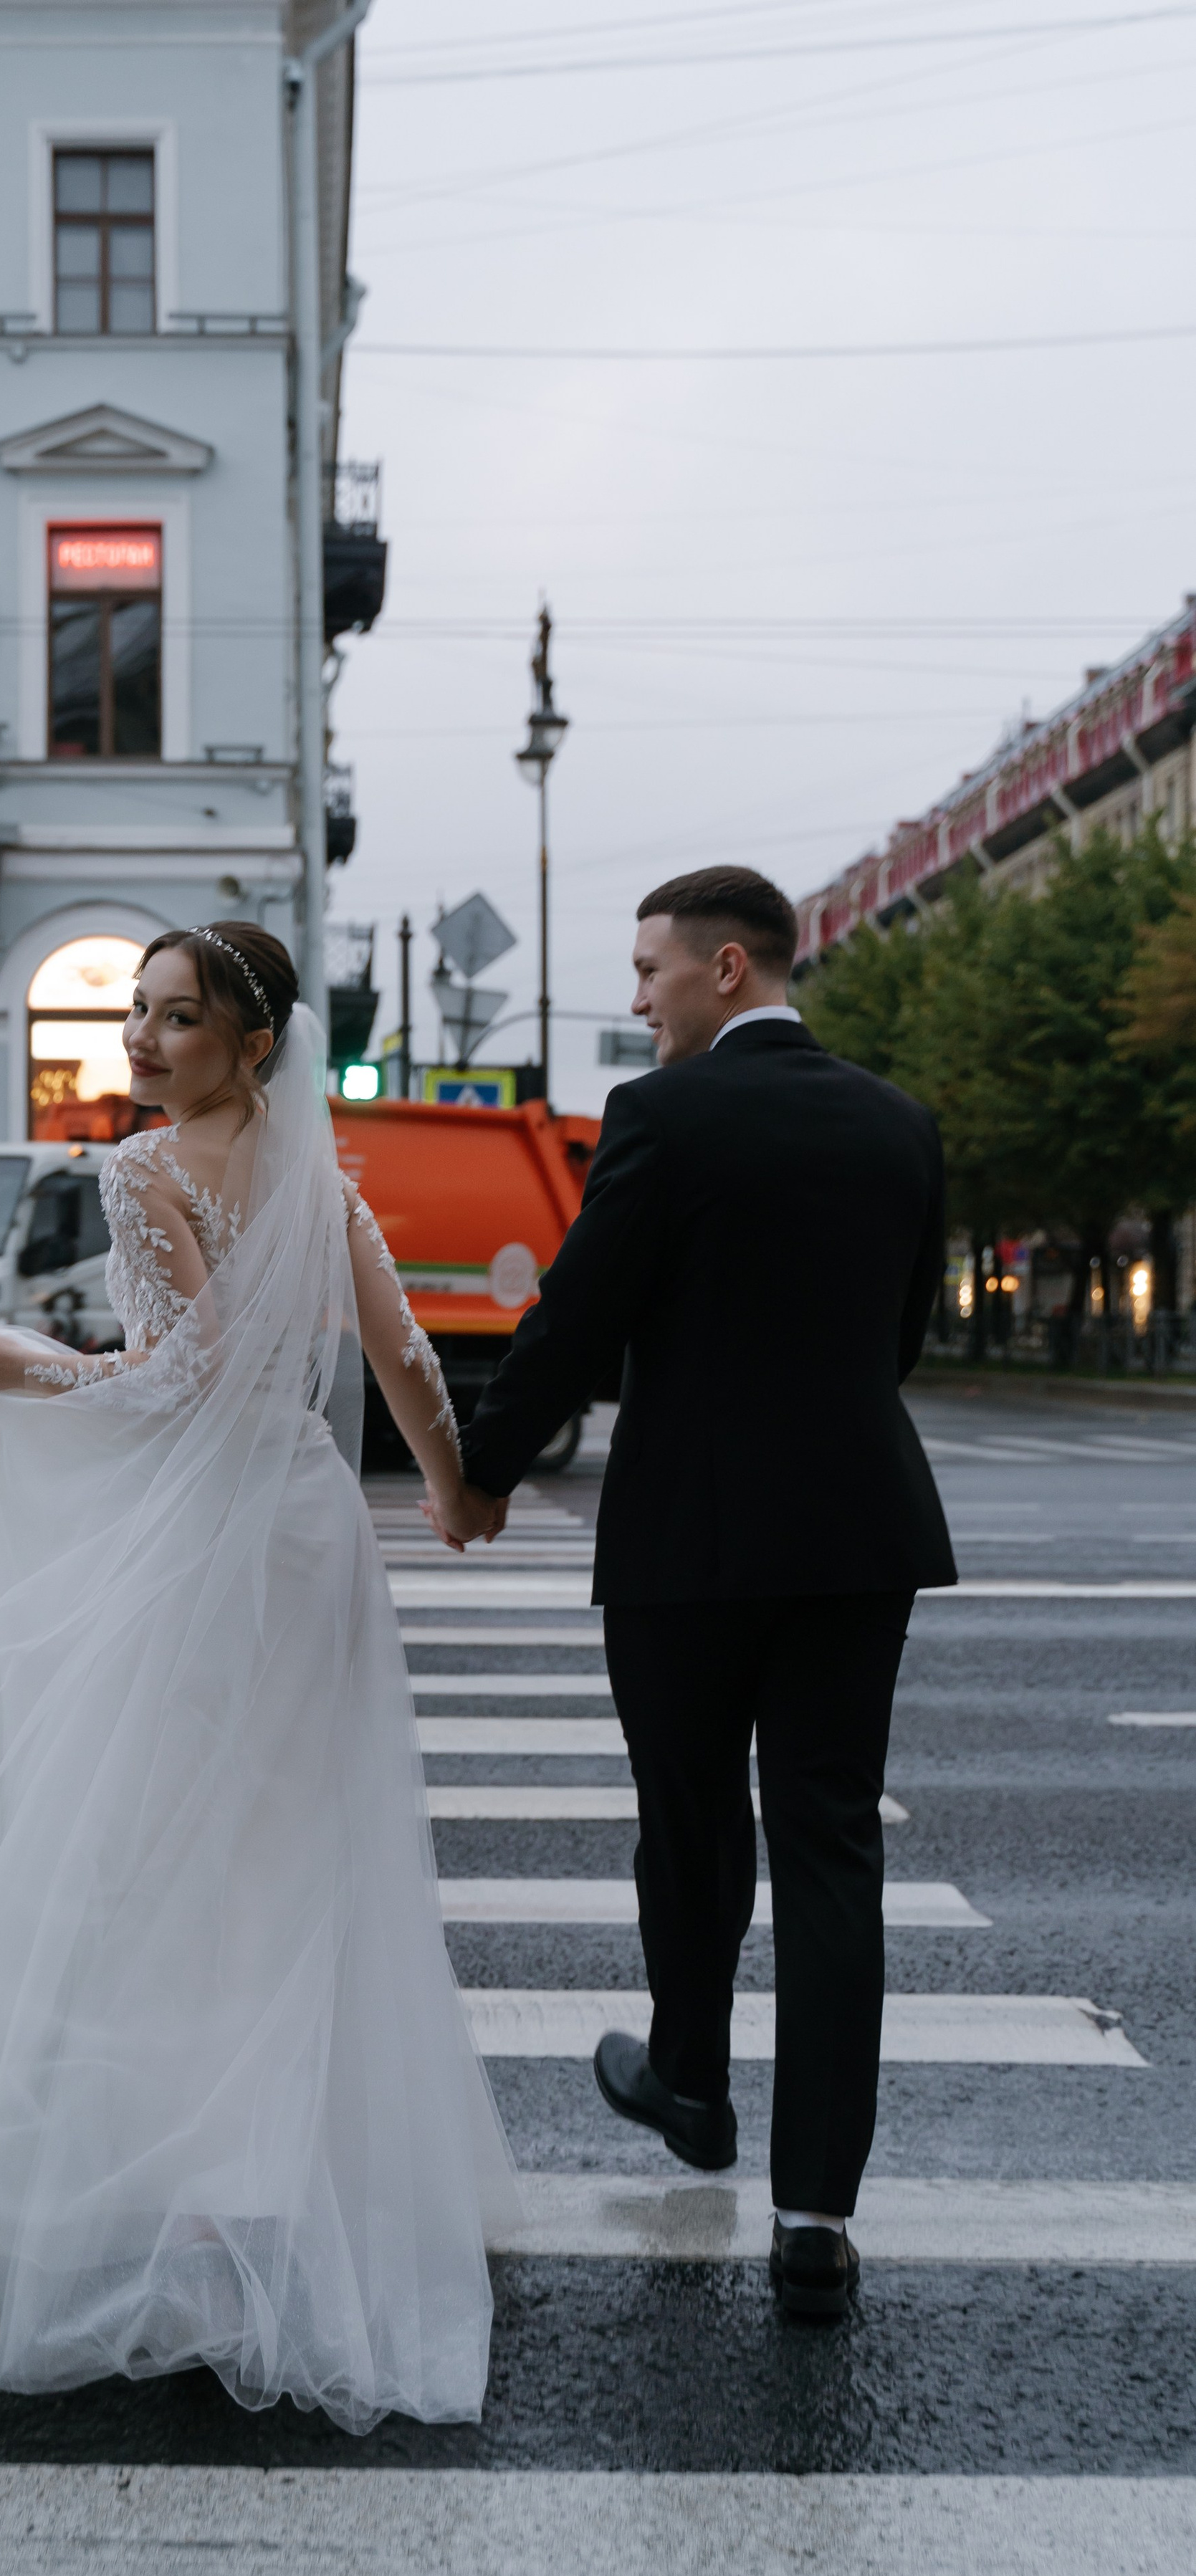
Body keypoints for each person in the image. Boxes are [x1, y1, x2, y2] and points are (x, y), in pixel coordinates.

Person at [0, 922, 520, 2431]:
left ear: (249, 1043)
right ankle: (261, 2176)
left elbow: (176, 1380)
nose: (139, 1041)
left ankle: (159, 2182)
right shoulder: (320, 1181)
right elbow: (398, 1352)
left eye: (175, 1020)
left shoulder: (141, 1174)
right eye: (135, 1013)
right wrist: (454, 1491)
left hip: (204, 1540)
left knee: (131, 1849)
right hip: (310, 1528)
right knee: (279, 1855)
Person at [431, 866, 955, 2318]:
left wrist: (475, 1469)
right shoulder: (898, 1122)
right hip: (860, 1535)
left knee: (689, 1819)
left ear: (727, 969)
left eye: (651, 967)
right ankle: (811, 2220)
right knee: (832, 1850)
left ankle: (688, 2082)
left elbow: (575, 1317)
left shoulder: (662, 1117)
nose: (639, 993)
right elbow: (895, 1340)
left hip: (687, 1542)